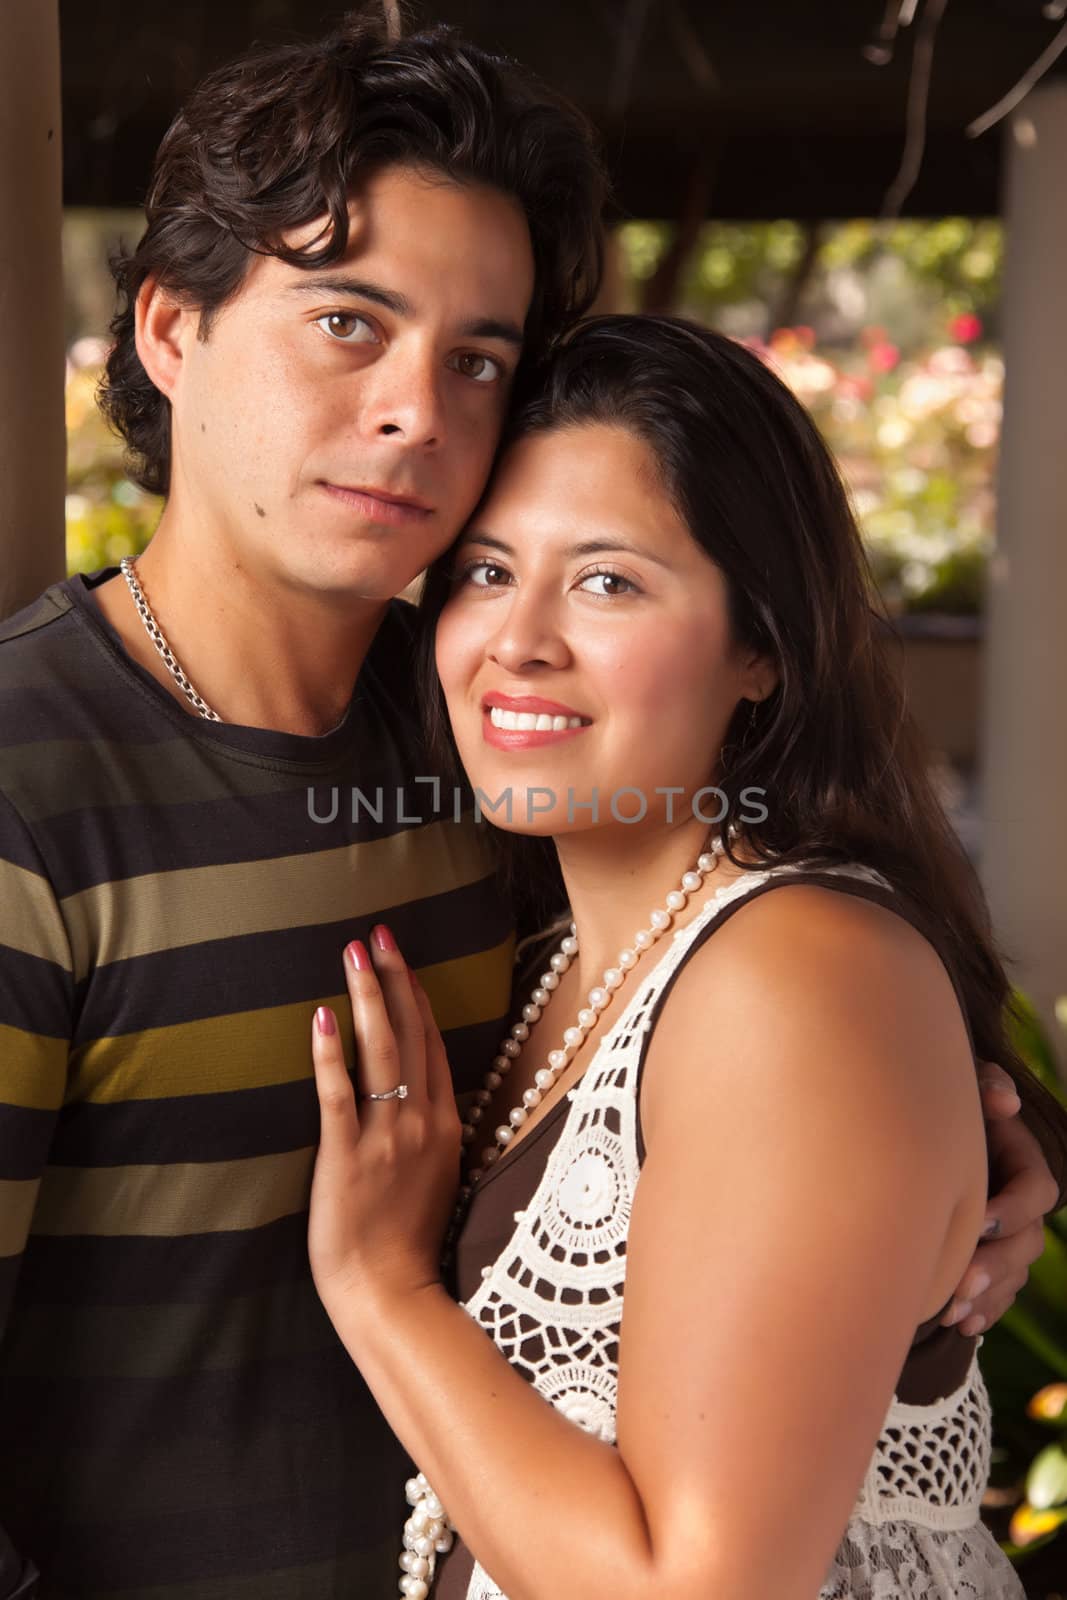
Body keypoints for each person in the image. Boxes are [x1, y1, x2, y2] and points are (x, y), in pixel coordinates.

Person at [306, 316, 1067, 1600]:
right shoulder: (546, 952)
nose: (519, 639)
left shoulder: (798, 969)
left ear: (760, 648)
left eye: (607, 581)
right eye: (486, 572)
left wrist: (381, 1285)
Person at [0, 13, 605, 1597]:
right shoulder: (20, 787)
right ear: (170, 332)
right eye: (349, 323)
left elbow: (731, 982)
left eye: (475, 357)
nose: (418, 409)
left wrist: (974, 1141)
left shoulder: (509, 728)